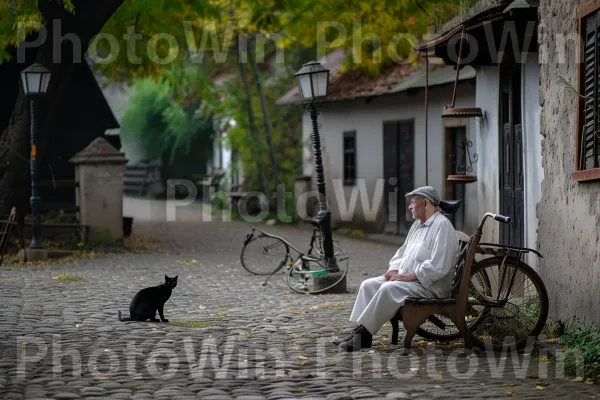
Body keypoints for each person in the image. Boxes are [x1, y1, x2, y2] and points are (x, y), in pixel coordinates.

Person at [334, 186, 460, 351]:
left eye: (413, 202)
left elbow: (440, 265)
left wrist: (410, 276)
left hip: (429, 286)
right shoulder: (417, 225)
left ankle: (362, 336)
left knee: (389, 289)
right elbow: (402, 252)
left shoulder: (442, 226)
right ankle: (361, 331)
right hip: (410, 281)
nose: (410, 207)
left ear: (426, 203)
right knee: (368, 284)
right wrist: (394, 269)